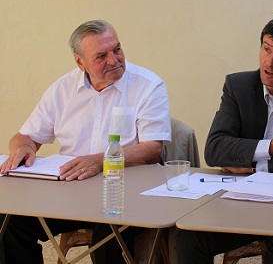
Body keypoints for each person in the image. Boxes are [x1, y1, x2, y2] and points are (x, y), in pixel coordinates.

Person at [0, 19, 171, 264]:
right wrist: (22, 149)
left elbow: (153, 149)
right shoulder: (62, 89)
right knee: (8, 222)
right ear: (80, 62)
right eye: (101, 56)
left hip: (126, 193)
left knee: (109, 235)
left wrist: (100, 160)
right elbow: (25, 136)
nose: (114, 60)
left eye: (117, 49)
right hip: (71, 194)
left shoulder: (148, 85)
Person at [174, 14, 273, 264]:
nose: (269, 62)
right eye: (266, 48)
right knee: (187, 235)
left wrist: (253, 164)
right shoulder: (237, 85)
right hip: (239, 202)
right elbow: (215, 148)